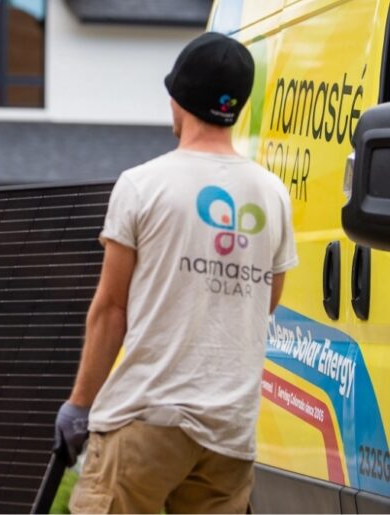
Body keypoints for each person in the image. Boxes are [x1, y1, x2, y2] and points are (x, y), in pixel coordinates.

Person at [54, 32, 298, 513]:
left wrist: (80, 403)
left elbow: (111, 309)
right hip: (229, 431)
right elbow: (264, 302)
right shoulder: (273, 195)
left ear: (177, 97)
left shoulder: (142, 185)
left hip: (146, 417)